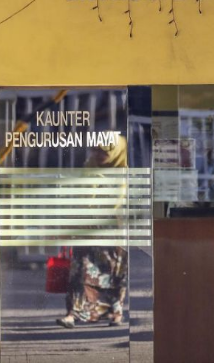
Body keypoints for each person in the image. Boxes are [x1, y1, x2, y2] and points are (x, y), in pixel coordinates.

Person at [56, 137, 128, 328]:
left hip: (113, 230)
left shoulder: (123, 173)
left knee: (113, 273)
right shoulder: (88, 168)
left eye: (104, 151)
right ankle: (72, 314)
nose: (99, 155)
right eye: (95, 150)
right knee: (80, 270)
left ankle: (115, 313)